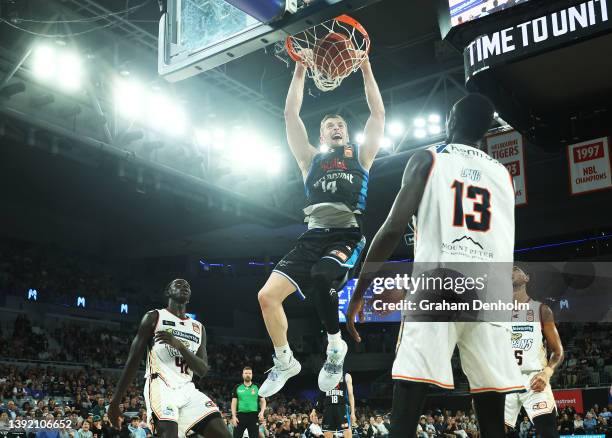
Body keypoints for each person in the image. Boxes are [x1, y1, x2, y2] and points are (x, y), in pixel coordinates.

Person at [346, 93, 524, 438]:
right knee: (491, 408)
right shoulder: (503, 175)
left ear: (451, 123)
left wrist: (359, 291)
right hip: (491, 291)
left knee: (409, 393)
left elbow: (392, 230)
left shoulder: (427, 158)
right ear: (486, 131)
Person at [257, 53, 385, 397]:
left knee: (320, 276)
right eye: (330, 125)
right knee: (267, 297)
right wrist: (300, 65)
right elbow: (289, 114)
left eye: (341, 124)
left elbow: (378, 113)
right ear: (321, 133)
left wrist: (365, 67)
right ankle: (285, 361)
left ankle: (334, 346)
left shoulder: (361, 155)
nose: (337, 127)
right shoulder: (309, 158)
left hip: (346, 234)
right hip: (313, 235)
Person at [107, 279, 230, 438]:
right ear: (168, 292)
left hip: (187, 388)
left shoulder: (199, 328)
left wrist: (179, 345)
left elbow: (202, 370)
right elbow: (133, 359)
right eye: (178, 284)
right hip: (161, 385)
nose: (184, 286)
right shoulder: (154, 317)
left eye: (187, 286)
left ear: (190, 296)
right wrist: (115, 401)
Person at [504, 266, 564, 438]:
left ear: (527, 278)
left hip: (534, 378)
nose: (512, 270)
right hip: (504, 380)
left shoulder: (541, 309)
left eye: (516, 268)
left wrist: (546, 373)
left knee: (549, 433)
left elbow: (558, 351)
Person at [310, 372, 356, 438]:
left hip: (342, 408)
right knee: (328, 433)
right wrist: (314, 410)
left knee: (347, 433)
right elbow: (321, 395)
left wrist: (352, 412)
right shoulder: (324, 376)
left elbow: (351, 395)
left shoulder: (346, 376)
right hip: (328, 409)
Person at [230, 367, 266, 438]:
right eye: (246, 373)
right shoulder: (237, 387)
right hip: (240, 416)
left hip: (254, 416)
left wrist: (262, 412)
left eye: (249, 373)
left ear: (252, 375)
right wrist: (234, 416)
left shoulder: (257, 386)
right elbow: (233, 403)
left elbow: (263, 401)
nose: (248, 375)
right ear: (242, 375)